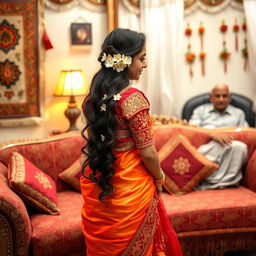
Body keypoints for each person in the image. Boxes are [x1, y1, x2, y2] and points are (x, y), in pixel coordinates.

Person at [80, 28, 183, 256]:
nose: (145, 65)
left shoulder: (93, 98)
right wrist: (160, 177)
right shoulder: (133, 99)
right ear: (125, 61)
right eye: (142, 58)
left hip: (99, 181)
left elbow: (92, 144)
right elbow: (148, 153)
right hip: (131, 188)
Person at [189, 84, 248, 190]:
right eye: (217, 96)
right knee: (199, 153)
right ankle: (214, 182)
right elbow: (191, 130)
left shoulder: (239, 113)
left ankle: (219, 183)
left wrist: (228, 137)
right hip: (208, 149)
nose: (221, 99)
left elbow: (246, 134)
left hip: (231, 148)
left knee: (240, 147)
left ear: (229, 98)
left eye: (224, 96)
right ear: (210, 97)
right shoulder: (200, 111)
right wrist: (210, 133)